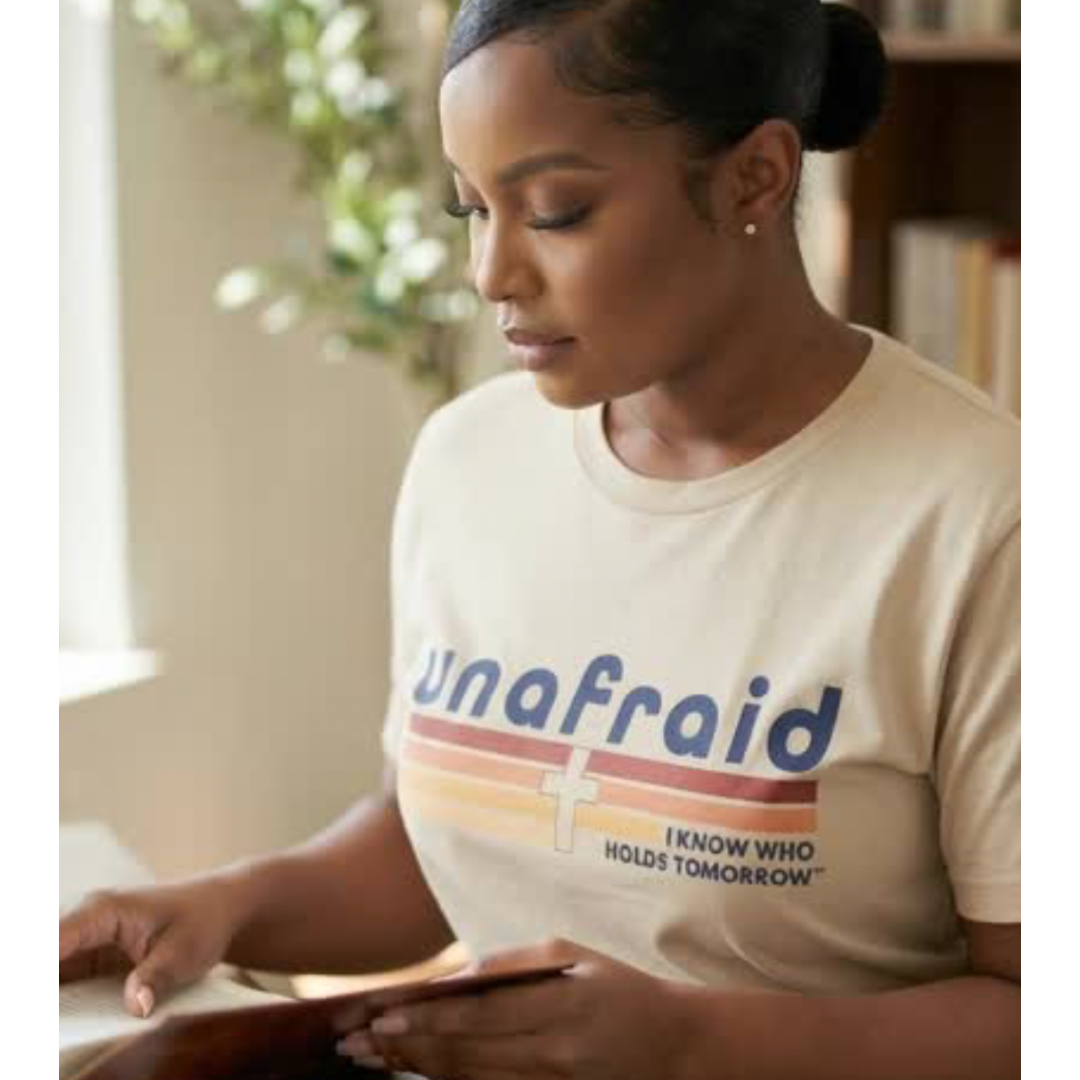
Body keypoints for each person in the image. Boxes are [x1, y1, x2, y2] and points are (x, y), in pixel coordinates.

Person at [58, 1, 1021, 1077]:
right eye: (470, 209)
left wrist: (691, 1043)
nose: (490, 274)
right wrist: (218, 905)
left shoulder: (976, 514)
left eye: (556, 211)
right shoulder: (468, 462)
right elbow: (434, 850)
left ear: (757, 177)